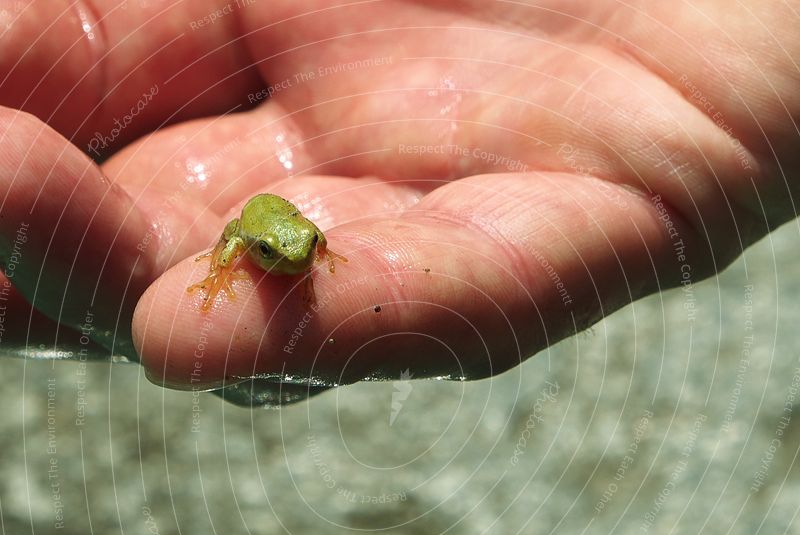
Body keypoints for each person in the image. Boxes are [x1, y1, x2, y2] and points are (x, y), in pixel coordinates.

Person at [0, 0, 797, 406]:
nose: (302, 258)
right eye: (292, 253)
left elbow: (295, 232)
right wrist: (235, 263)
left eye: (303, 249)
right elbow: (249, 230)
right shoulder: (256, 240)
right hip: (258, 214)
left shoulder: (301, 242)